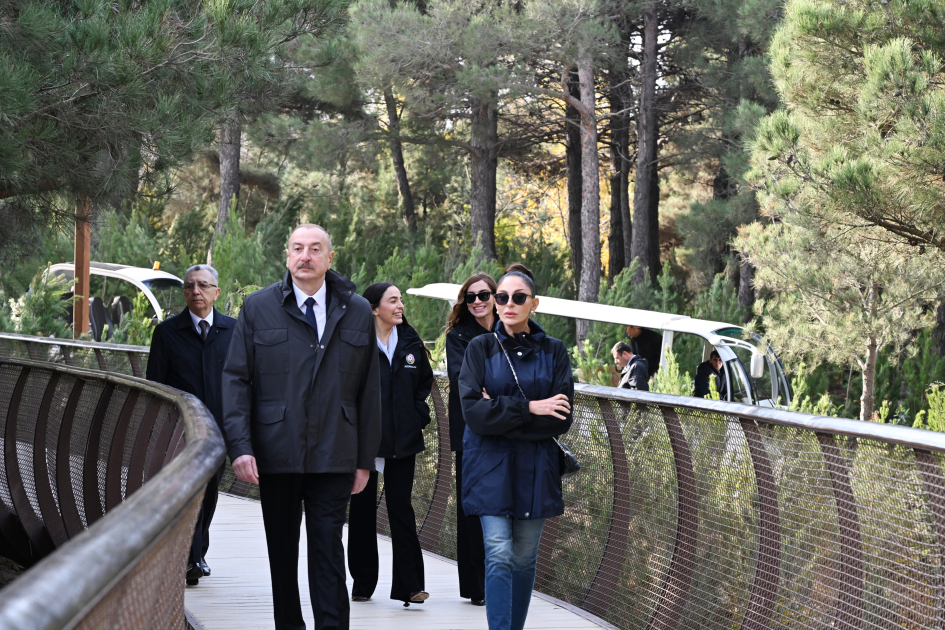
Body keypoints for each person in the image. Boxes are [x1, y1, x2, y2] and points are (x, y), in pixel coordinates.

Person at [222, 224, 381, 630]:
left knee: (328, 551)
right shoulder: (258, 308)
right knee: (282, 552)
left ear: (330, 258)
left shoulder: (358, 310)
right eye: (297, 248)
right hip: (276, 450)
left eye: (315, 249)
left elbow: (369, 391)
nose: (305, 256)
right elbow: (236, 379)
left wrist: (365, 461)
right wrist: (241, 447)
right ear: (287, 256)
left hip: (335, 452)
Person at [458, 266, 574, 630]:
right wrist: (530, 407)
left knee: (524, 558)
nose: (508, 304)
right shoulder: (480, 348)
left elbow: (560, 418)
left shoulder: (554, 351)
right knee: (498, 552)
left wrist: (501, 410)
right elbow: (473, 414)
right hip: (488, 465)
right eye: (502, 297)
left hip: (536, 467)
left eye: (518, 298)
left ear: (534, 303)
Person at [147, 264, 235, 586]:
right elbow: (154, 385)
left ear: (216, 292)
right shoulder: (167, 334)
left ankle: (196, 553)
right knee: (191, 492)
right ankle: (192, 558)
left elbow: (245, 382)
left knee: (209, 494)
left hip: (221, 432)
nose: (196, 291)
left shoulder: (234, 332)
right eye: (190, 286)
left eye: (203, 285)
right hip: (179, 432)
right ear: (184, 293)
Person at [347, 282, 433, 607]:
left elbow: (423, 383)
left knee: (401, 509)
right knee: (363, 510)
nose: (400, 306)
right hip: (365, 442)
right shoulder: (357, 344)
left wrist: (416, 414)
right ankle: (363, 583)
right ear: (373, 308)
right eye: (392, 300)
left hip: (403, 441)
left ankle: (410, 586)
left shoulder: (410, 342)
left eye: (400, 300)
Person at [444, 272, 497, 606]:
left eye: (484, 295)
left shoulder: (511, 331)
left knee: (504, 506)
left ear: (496, 296)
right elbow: (465, 379)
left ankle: (501, 581)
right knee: (472, 507)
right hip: (470, 432)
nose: (477, 301)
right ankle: (476, 587)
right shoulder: (458, 336)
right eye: (471, 297)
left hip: (508, 430)